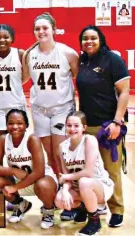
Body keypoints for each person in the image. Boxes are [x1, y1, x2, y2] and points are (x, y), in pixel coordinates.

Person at [76, 25, 130, 227]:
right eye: (85, 39)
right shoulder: (83, 60)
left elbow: (124, 91)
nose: (89, 42)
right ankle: (85, 206)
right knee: (86, 169)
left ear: (101, 40)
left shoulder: (113, 60)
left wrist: (117, 121)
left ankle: (116, 209)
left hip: (107, 125)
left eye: (93, 38)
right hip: (85, 126)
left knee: (111, 169)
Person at [22, 12, 79, 175]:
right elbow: (23, 79)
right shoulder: (29, 54)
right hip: (39, 109)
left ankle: (68, 191)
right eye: (37, 29)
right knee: (50, 156)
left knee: (60, 153)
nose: (41, 32)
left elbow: (77, 77)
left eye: (45, 28)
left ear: (53, 29)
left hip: (62, 108)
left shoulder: (68, 53)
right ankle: (57, 190)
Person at [0, 109, 58, 229]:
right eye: (11, 123)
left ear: (26, 125)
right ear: (6, 125)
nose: (15, 126)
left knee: (43, 185)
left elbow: (39, 172)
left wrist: (14, 187)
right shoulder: (3, 139)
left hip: (39, 180)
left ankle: (48, 211)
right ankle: (20, 204)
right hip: (19, 179)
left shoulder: (32, 139)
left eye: (19, 123)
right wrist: (13, 171)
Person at [55, 111, 114, 236]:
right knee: (59, 200)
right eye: (69, 125)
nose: (72, 129)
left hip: (99, 186)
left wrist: (67, 177)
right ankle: (84, 207)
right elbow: (65, 176)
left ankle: (94, 221)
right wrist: (65, 190)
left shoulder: (89, 140)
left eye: (76, 125)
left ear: (84, 127)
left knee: (84, 181)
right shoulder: (62, 147)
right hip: (79, 187)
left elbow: (88, 172)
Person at [0, 24, 26, 150]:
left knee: (18, 150)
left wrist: (16, 84)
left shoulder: (19, 54)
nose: (2, 40)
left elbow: (26, 76)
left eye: (6, 37)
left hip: (16, 107)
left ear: (12, 38)